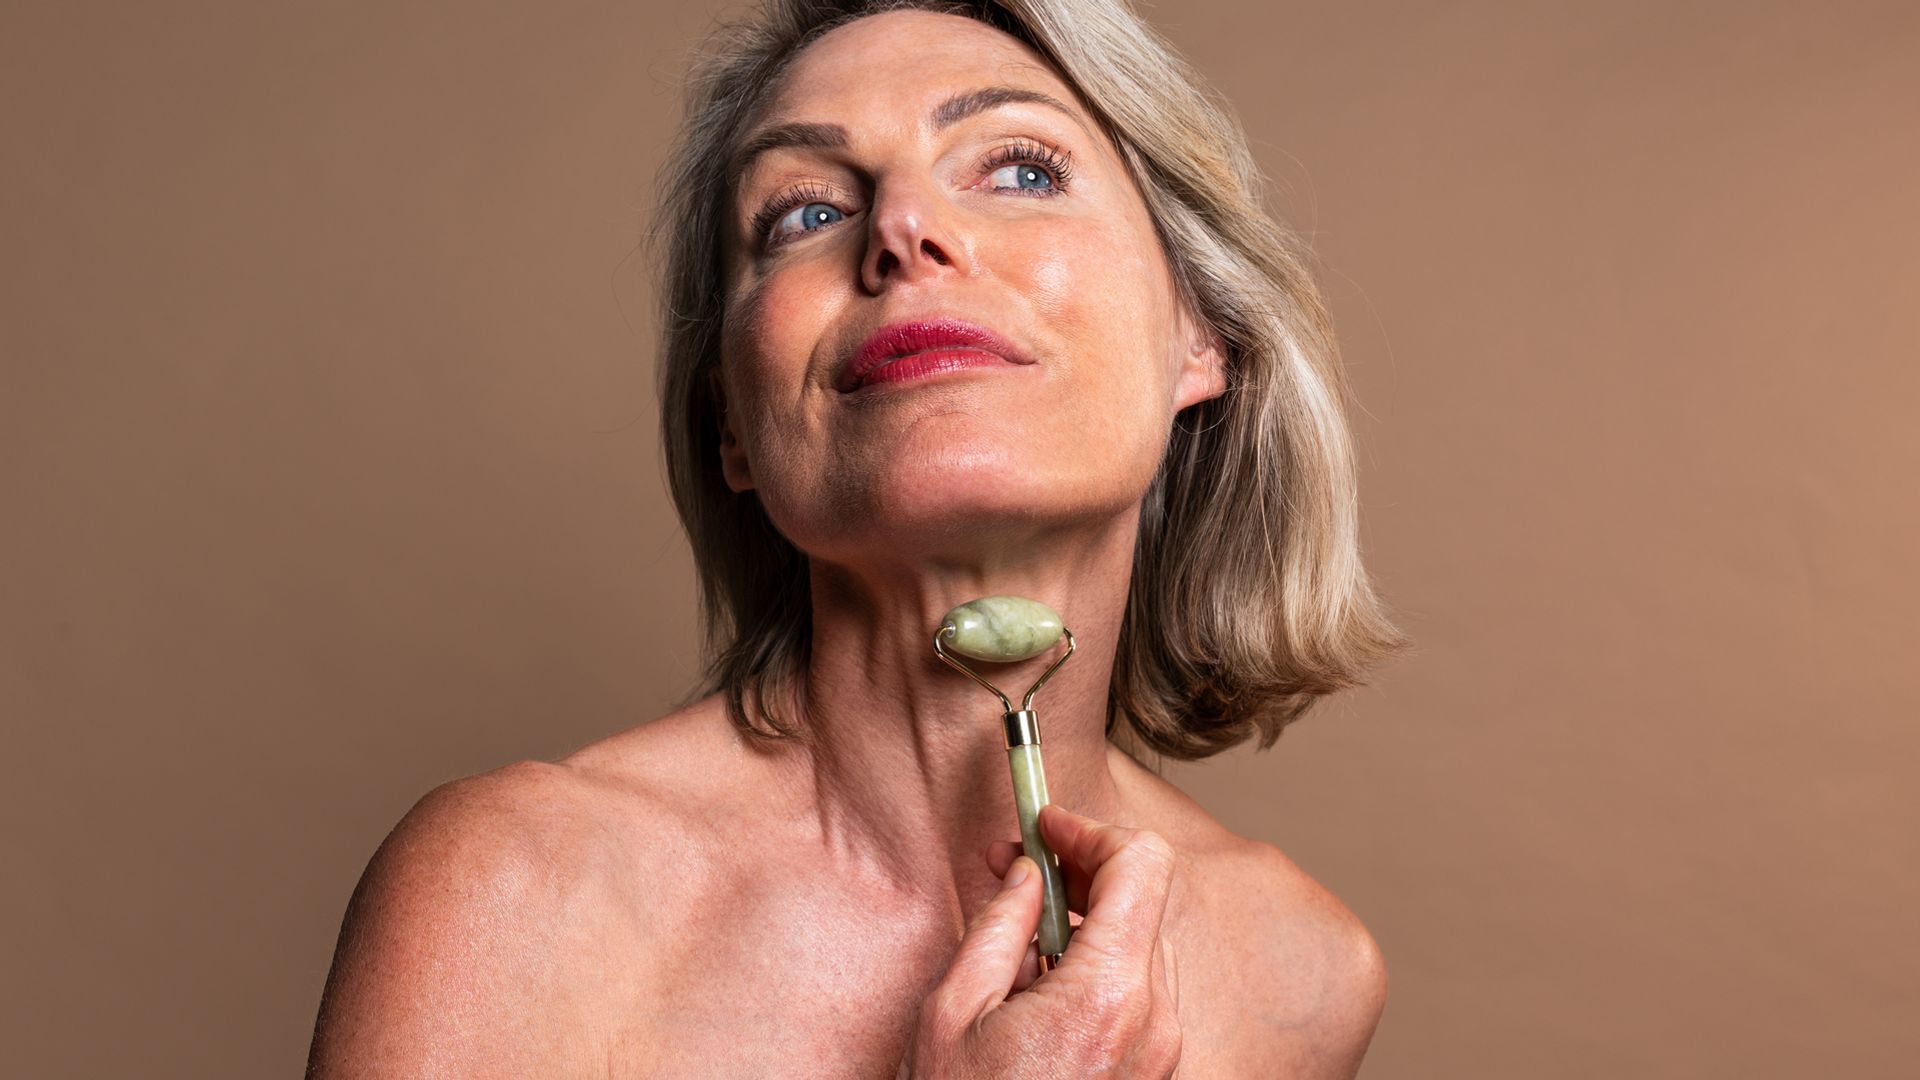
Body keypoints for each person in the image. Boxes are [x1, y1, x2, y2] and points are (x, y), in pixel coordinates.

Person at [307, 0, 1410, 1075]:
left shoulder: (1302, 972)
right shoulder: (517, 896)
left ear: (1199, 335)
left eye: (1021, 168)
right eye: (804, 213)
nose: (901, 229)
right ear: (732, 424)